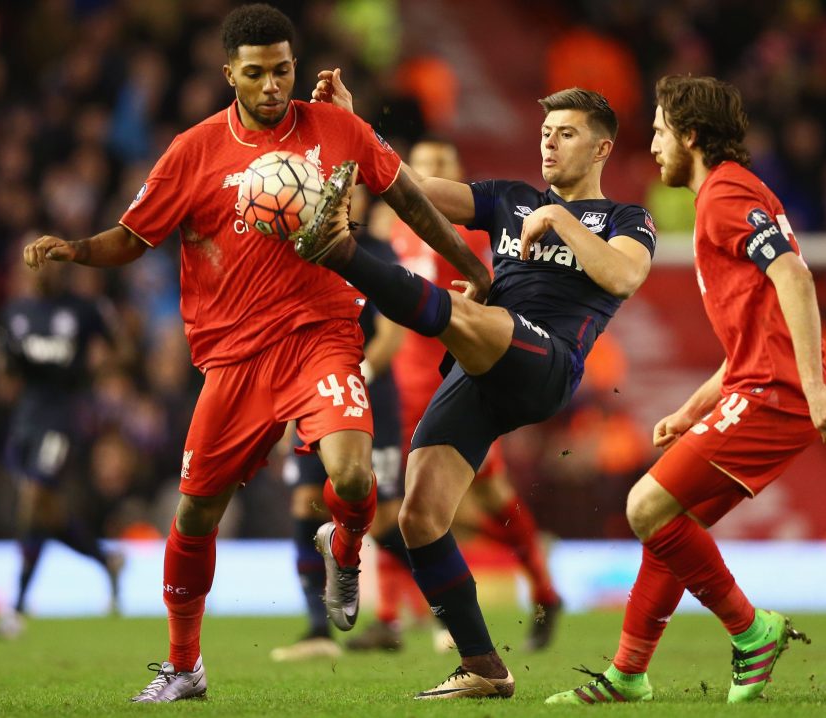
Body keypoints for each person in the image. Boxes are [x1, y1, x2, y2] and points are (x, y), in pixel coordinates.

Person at [22, 4, 489, 704]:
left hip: (321, 336)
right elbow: (133, 235)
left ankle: (344, 548)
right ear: (228, 74)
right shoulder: (194, 150)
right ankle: (185, 665)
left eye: (282, 70)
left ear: (293, 65)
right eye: (255, 73)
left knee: (355, 475)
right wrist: (77, 249)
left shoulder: (338, 128)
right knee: (193, 518)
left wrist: (472, 268)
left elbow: (414, 201)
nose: (272, 85)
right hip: (234, 359)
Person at [305, 71, 656, 699]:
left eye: (566, 134)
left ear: (602, 148)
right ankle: (483, 667)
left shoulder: (625, 218)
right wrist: (351, 129)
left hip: (546, 364)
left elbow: (624, 277)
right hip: (484, 364)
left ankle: (339, 253)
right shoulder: (507, 198)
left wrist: (561, 220)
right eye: (546, 132)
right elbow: (402, 186)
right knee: (420, 517)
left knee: (466, 312)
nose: (549, 144)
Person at [545, 75, 826, 706]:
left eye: (662, 130)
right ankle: (629, 673)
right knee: (671, 520)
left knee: (644, 506)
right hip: (760, 383)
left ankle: (752, 631)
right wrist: (693, 407)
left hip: (776, 393)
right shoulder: (728, 197)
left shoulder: (723, 195)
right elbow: (754, 329)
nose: (655, 144)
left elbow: (795, 277)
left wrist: (813, 386)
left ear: (691, 135)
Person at [345, 138, 563, 654]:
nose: (431, 172)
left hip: (453, 381)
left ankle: (544, 589)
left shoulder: (469, 231)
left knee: (488, 499)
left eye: (442, 165)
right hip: (397, 386)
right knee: (389, 499)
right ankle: (390, 617)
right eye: (422, 166)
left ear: (456, 173)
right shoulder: (384, 228)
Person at [271, 219, 409, 662]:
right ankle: (318, 630)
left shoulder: (377, 253)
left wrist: (356, 377)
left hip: (371, 393)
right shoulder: (296, 251)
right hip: (309, 391)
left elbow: (391, 333)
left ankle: (448, 613)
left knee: (387, 520)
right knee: (305, 503)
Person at [0, 261, 123, 639]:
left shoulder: (83, 309)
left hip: (61, 420)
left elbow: (119, 348)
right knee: (45, 513)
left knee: (34, 499)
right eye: (34, 261)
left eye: (49, 262)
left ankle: (16, 607)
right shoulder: (15, 312)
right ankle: (106, 559)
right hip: (24, 422)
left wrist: (95, 373)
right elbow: (5, 373)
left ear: (61, 268)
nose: (42, 270)